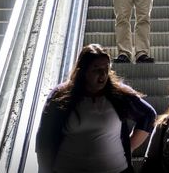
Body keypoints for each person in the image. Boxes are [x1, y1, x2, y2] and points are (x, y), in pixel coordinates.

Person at [35, 43, 156, 173]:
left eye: (106, 68)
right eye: (96, 69)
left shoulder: (119, 94)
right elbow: (44, 139)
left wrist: (128, 147)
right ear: (82, 71)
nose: (103, 74)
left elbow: (148, 115)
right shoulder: (61, 95)